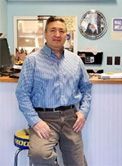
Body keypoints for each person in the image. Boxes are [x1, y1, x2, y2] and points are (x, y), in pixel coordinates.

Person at [15, 16, 92, 166]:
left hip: (71, 118)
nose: (57, 34)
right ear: (45, 33)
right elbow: (22, 94)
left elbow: (87, 88)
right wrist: (35, 122)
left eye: (61, 31)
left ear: (66, 35)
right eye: (53, 30)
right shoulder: (32, 60)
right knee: (39, 155)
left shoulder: (76, 60)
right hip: (44, 119)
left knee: (77, 163)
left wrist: (83, 112)